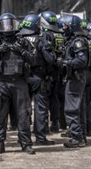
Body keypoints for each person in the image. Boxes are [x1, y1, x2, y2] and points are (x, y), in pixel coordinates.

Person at [0, 13, 37, 155]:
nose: (8, 27)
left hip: (19, 82)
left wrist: (21, 51)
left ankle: (26, 143)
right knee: (0, 115)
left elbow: (33, 61)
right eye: (6, 24)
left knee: (24, 114)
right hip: (1, 83)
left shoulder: (23, 42)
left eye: (11, 24)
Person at [18, 14, 56, 145]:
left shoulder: (19, 39)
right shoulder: (41, 39)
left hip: (22, 78)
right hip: (39, 77)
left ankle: (23, 137)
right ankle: (40, 137)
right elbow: (50, 59)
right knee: (40, 108)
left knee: (23, 108)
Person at [57, 15, 89, 148]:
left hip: (76, 77)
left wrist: (65, 62)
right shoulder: (73, 40)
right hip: (75, 77)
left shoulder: (78, 41)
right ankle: (80, 135)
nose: (63, 28)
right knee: (78, 108)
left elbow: (82, 60)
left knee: (71, 109)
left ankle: (77, 137)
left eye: (65, 26)